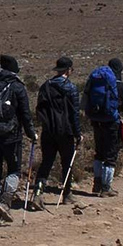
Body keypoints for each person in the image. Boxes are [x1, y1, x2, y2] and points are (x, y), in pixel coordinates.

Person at [0, 55, 36, 225]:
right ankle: (4, 202)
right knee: (14, 170)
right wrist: (31, 133)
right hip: (11, 136)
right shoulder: (17, 86)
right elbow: (25, 113)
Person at [29, 57, 82, 211]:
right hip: (65, 132)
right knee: (67, 163)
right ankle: (67, 194)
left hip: (48, 131)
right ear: (68, 70)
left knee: (46, 163)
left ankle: (37, 194)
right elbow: (74, 114)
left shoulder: (46, 86)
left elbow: (39, 109)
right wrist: (78, 133)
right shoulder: (71, 88)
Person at [86, 58, 123, 198]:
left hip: (96, 120)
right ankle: (106, 188)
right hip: (111, 122)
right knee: (110, 154)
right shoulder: (121, 87)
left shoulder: (98, 82)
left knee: (99, 152)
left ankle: (96, 184)